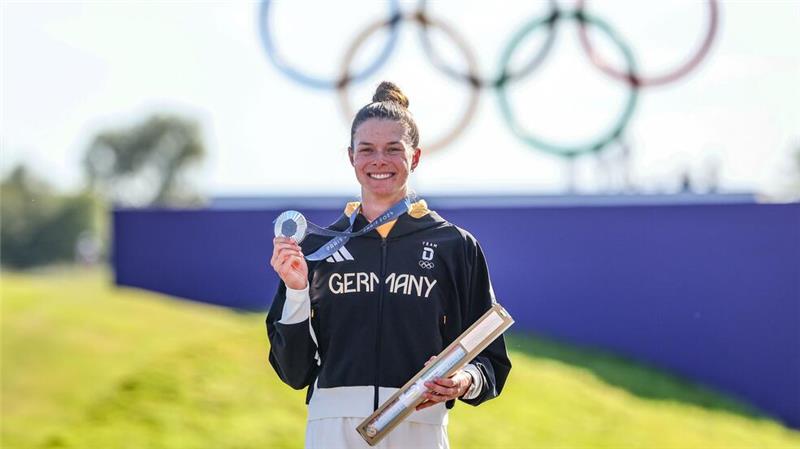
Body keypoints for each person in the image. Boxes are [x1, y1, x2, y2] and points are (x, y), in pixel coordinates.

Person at [266, 81, 511, 449]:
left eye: (392, 149)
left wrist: (464, 380)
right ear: (351, 157)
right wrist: (297, 291)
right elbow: (293, 370)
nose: (378, 160)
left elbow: (490, 358)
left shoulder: (455, 246)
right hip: (333, 430)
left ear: (415, 157)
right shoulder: (316, 249)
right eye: (367, 150)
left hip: (419, 424)